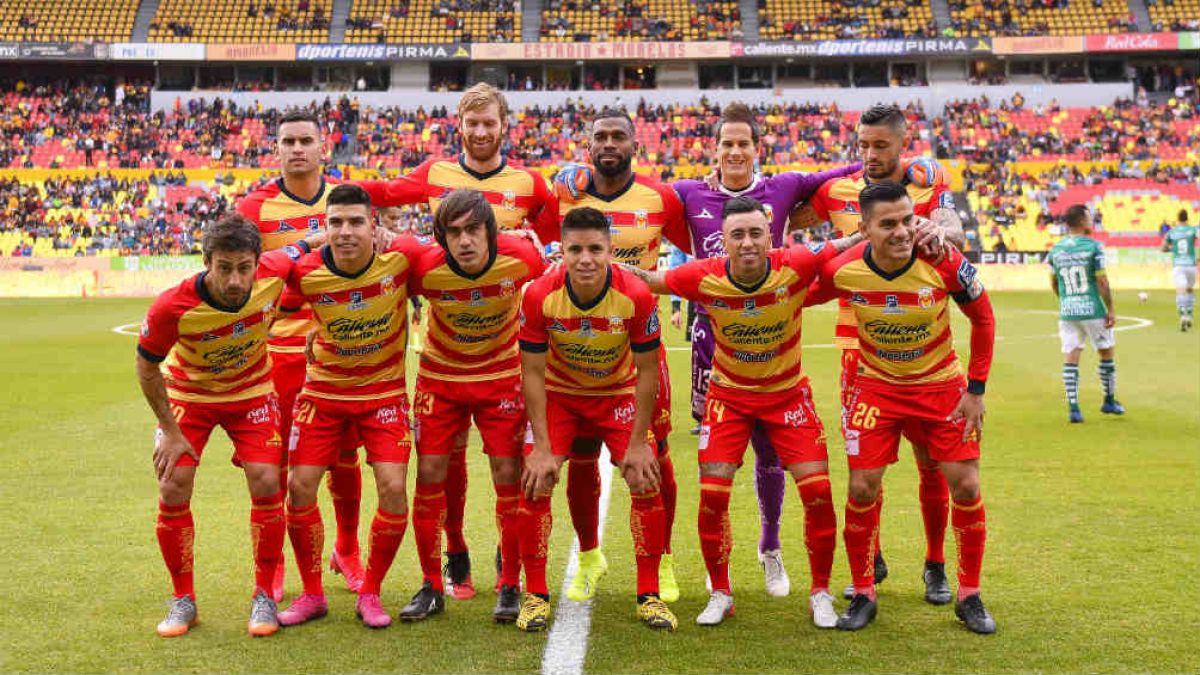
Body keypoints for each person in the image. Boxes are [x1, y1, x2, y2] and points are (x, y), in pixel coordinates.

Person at [356, 83, 559, 598]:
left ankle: (506, 566)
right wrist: (341, 205)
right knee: (441, 468)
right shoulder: (433, 178)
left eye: (490, 123)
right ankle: (454, 551)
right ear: (460, 126)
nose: (482, 131)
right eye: (473, 123)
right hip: (442, 355)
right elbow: (379, 196)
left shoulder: (530, 185)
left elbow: (555, 235)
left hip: (502, 354)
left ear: (504, 125)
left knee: (505, 469)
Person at [623, 196, 857, 628]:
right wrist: (593, 260)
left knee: (819, 492)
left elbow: (849, 246)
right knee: (713, 496)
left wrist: (886, 233)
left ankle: (820, 592)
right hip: (728, 397)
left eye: (755, 234)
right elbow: (652, 280)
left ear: (770, 236)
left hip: (787, 395)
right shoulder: (702, 277)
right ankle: (720, 592)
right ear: (723, 243)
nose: (747, 243)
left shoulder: (797, 262)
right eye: (737, 235)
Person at [806, 181, 996, 634]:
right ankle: (863, 592)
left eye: (908, 219)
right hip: (877, 388)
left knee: (965, 485)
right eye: (888, 224)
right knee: (863, 487)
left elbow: (984, 318)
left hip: (941, 387)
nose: (902, 231)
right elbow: (795, 297)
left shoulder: (944, 260)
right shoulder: (844, 269)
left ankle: (969, 594)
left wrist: (976, 389)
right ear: (865, 229)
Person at [799, 102, 964, 604]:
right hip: (858, 350)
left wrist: (942, 232)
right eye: (863, 144)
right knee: (865, 468)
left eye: (880, 146)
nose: (870, 154)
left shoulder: (928, 179)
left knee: (932, 463)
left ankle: (935, 563)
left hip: (921, 343)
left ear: (902, 142)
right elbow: (784, 212)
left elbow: (953, 226)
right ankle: (870, 555)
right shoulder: (834, 191)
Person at [136, 214, 321, 638]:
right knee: (173, 484)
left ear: (258, 262)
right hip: (190, 397)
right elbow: (146, 368)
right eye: (224, 268)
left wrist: (345, 232)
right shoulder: (172, 306)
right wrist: (169, 429)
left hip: (251, 393)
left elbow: (308, 243)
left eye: (244, 268)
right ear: (206, 262)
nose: (236, 280)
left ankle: (263, 596)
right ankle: (183, 599)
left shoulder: (274, 272)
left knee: (266, 481)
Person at [537, 108, 689, 604]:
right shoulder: (563, 193)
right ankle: (588, 555)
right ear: (587, 145)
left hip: (636, 349)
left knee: (655, 458)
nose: (608, 143)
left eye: (618, 136)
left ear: (634, 145)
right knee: (580, 461)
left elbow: (701, 249)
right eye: (599, 135)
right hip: (574, 353)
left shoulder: (660, 197)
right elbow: (529, 240)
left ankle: (662, 557)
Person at [275, 184, 426, 629]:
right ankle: (312, 594)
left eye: (356, 222)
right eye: (335, 223)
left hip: (383, 397)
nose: (345, 231)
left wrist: (398, 239)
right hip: (323, 397)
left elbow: (435, 251)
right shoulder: (305, 273)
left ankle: (372, 592)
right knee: (299, 488)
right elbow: (273, 295)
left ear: (373, 225)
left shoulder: (398, 261)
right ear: (324, 228)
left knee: (394, 489)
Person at [517, 206, 674, 632]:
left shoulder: (636, 296)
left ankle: (649, 594)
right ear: (560, 251)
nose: (585, 259)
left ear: (610, 250)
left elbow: (646, 372)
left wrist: (639, 442)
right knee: (535, 479)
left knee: (645, 476)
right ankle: (534, 595)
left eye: (595, 249)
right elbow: (531, 372)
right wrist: (543, 447)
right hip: (561, 396)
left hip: (617, 393)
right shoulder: (538, 295)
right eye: (575, 249)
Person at [399, 189, 545, 623]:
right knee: (429, 474)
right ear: (442, 237)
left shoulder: (523, 258)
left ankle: (510, 584)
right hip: (440, 380)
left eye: (472, 230)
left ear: (490, 232)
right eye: (453, 232)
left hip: (500, 377)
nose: (464, 241)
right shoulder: (425, 267)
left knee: (508, 475)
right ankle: (437, 576)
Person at [237, 109, 367, 599]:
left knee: (345, 457)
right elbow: (244, 276)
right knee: (277, 464)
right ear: (276, 149)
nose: (296, 149)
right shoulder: (257, 207)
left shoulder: (346, 198)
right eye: (287, 141)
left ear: (322, 146)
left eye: (304, 140)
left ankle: (348, 550)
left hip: (341, 344)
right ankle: (271, 567)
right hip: (280, 349)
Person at [1049, 205, 1123, 422]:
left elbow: (1054, 282)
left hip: (1068, 311)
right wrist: (1109, 308)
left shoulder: (1055, 250)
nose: (1092, 221)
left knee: (1071, 357)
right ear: (1082, 221)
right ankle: (1109, 401)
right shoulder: (1094, 247)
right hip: (1092, 308)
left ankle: (1074, 408)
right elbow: (1101, 280)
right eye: (1090, 218)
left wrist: (1065, 301)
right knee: (1106, 353)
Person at [1161, 208, 1197, 331]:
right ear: (1187, 218)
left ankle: (1183, 316)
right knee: (1190, 290)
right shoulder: (1193, 230)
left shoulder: (1171, 232)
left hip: (1178, 265)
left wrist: (1174, 249)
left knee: (1180, 291)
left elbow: (1163, 248)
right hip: (1191, 265)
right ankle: (1190, 315)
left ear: (1178, 219)